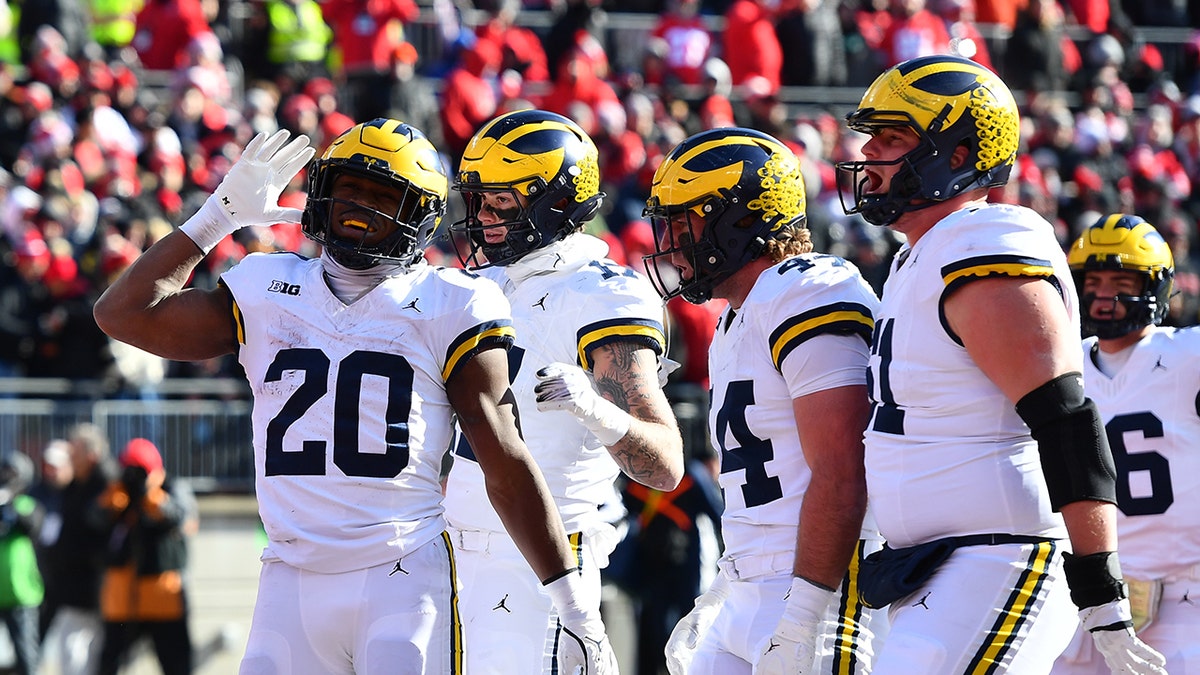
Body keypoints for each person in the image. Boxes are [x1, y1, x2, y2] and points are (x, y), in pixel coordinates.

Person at [92, 121, 614, 674]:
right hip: (289, 574)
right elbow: (122, 314)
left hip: (403, 576)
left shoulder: (453, 302)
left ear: (419, 215)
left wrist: (574, 604)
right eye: (349, 188)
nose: (359, 205)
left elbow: (504, 457)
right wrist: (217, 216)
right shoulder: (266, 285)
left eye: (383, 196)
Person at [833, 54, 1166, 673]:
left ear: (957, 155)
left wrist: (1100, 592)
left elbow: (1066, 417)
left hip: (1000, 560)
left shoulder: (984, 242)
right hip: (934, 569)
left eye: (893, 137)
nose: (870, 154)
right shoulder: (915, 257)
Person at [443, 108, 681, 674]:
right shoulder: (482, 283)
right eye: (476, 198)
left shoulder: (603, 294)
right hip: (450, 551)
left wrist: (596, 411)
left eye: (500, 199)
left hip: (543, 564)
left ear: (555, 200)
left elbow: (664, 465)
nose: (481, 216)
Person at [645, 126, 887, 674]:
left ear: (742, 218)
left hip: (819, 583)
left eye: (686, 219)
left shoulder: (807, 290)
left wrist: (804, 616)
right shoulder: (737, 315)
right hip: (747, 584)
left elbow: (844, 471)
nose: (673, 238)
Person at [1052, 213, 1200, 674]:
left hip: (1183, 593)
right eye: (1092, 279)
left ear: (1156, 286)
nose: (1104, 293)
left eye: (1121, 279)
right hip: (1081, 595)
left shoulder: (1186, 355)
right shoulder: (1057, 365)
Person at [92, 438, 198, 675]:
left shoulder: (172, 487)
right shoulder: (117, 491)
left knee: (177, 664)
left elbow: (180, 517)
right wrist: (117, 497)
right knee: (108, 664)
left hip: (163, 598)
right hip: (121, 599)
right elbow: (93, 520)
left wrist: (150, 494)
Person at [37, 423, 114, 675]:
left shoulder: (106, 483)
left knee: (82, 655)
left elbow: (102, 535)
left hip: (94, 588)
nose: (70, 457)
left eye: (75, 452)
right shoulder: (77, 484)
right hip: (72, 587)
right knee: (72, 655)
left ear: (91, 454)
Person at [0, 452, 44, 675]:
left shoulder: (27, 505)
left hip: (21, 595)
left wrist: (11, 501)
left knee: (26, 655)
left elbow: (32, 526)